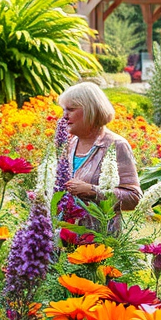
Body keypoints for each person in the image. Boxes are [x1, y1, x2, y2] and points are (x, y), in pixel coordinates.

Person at [60, 81, 142, 222]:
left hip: (100, 238)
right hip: (64, 236)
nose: (64, 116)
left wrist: (93, 191)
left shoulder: (116, 145)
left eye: (71, 109)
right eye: (63, 110)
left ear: (91, 110)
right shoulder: (68, 145)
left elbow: (134, 197)